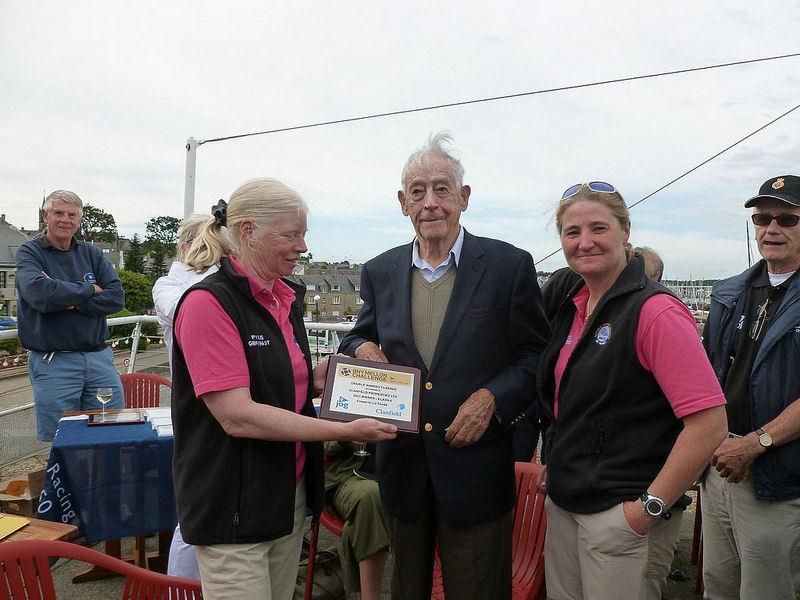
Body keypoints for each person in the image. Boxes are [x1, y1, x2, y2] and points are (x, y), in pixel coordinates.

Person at [339, 133, 550, 599]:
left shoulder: (507, 266)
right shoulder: (379, 270)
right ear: (402, 203)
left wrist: (491, 400)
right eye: (417, 192)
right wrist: (363, 351)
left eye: (441, 189)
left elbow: (537, 356)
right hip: (403, 470)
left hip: (476, 472)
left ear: (464, 198)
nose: (430, 203)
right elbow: (358, 333)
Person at [171, 178, 397, 600]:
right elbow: (238, 415)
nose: (303, 246)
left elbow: (272, 386)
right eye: (291, 234)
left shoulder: (282, 298)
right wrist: (346, 430)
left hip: (286, 495)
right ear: (247, 230)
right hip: (232, 507)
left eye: (304, 234)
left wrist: (319, 379)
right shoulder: (209, 304)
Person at [537, 181, 728, 600]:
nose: (585, 242)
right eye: (572, 232)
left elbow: (709, 424)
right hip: (567, 503)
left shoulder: (656, 311)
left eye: (598, 228)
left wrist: (647, 509)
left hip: (619, 514)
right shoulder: (573, 306)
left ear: (625, 231)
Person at [701, 175, 800, 600]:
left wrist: (756, 443)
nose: (771, 228)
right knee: (718, 586)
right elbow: (706, 380)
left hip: (776, 479)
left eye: (787, 219)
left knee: (766, 591)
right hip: (719, 466)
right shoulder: (729, 293)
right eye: (762, 217)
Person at [15, 190, 125, 441]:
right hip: (54, 363)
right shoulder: (29, 252)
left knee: (111, 431)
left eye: (72, 215)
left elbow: (116, 298)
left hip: (99, 360)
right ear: (46, 216)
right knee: (62, 439)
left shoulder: (91, 253)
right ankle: (65, 481)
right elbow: (39, 294)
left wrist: (70, 301)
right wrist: (88, 289)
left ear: (79, 220)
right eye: (58, 213)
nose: (65, 219)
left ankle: (101, 481)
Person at [152, 213, 219, 581]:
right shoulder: (168, 286)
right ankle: (182, 588)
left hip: (224, 400)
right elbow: (193, 309)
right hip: (195, 405)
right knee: (196, 506)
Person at [324, 442, 389, 600]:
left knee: (356, 526)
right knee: (370, 498)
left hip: (400, 473)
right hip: (350, 476)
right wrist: (347, 434)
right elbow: (323, 443)